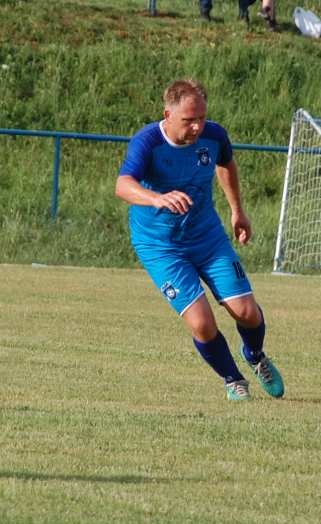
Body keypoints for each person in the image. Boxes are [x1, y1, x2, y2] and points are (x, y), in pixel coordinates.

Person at [116, 79, 284, 402]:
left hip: (206, 236)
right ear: (168, 114)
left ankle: (255, 355)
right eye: (188, 120)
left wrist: (237, 211)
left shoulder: (214, 135)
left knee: (247, 312)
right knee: (202, 323)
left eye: (201, 118)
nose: (196, 127)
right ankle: (233, 379)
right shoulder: (147, 141)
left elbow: (226, 164)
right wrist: (156, 199)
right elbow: (123, 185)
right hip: (161, 246)